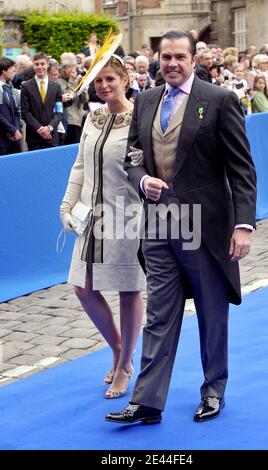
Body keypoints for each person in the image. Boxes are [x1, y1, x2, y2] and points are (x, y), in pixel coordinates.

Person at [106, 30, 256, 425]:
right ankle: (148, 401)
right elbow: (133, 156)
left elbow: (241, 168)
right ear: (157, 58)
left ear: (193, 59)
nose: (171, 63)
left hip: (204, 225)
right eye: (165, 57)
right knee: (159, 313)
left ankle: (213, 389)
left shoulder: (219, 100)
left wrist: (243, 225)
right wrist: (141, 180)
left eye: (179, 57)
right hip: (157, 223)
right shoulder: (146, 100)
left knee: (211, 310)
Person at [59, 54, 146, 399]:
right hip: (90, 215)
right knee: (83, 287)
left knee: (128, 289)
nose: (105, 86)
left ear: (125, 80)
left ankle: (126, 364)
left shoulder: (140, 117)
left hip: (127, 214)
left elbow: (147, 165)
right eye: (98, 81)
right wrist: (67, 203)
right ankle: (118, 347)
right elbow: (80, 164)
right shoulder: (92, 119)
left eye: (111, 79)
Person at [20, 53, 63, 150]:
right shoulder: (26, 86)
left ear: (47, 64)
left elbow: (59, 112)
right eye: (37, 64)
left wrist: (50, 128)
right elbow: (25, 112)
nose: (40, 67)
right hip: (34, 138)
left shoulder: (56, 87)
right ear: (33, 65)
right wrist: (40, 129)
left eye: (42, 64)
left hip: (52, 136)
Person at [0, 58, 22, 156]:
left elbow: (16, 111)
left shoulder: (9, 88)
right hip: (2, 141)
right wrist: (12, 130)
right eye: (12, 68)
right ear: (4, 70)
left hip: (15, 139)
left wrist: (16, 129)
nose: (14, 71)